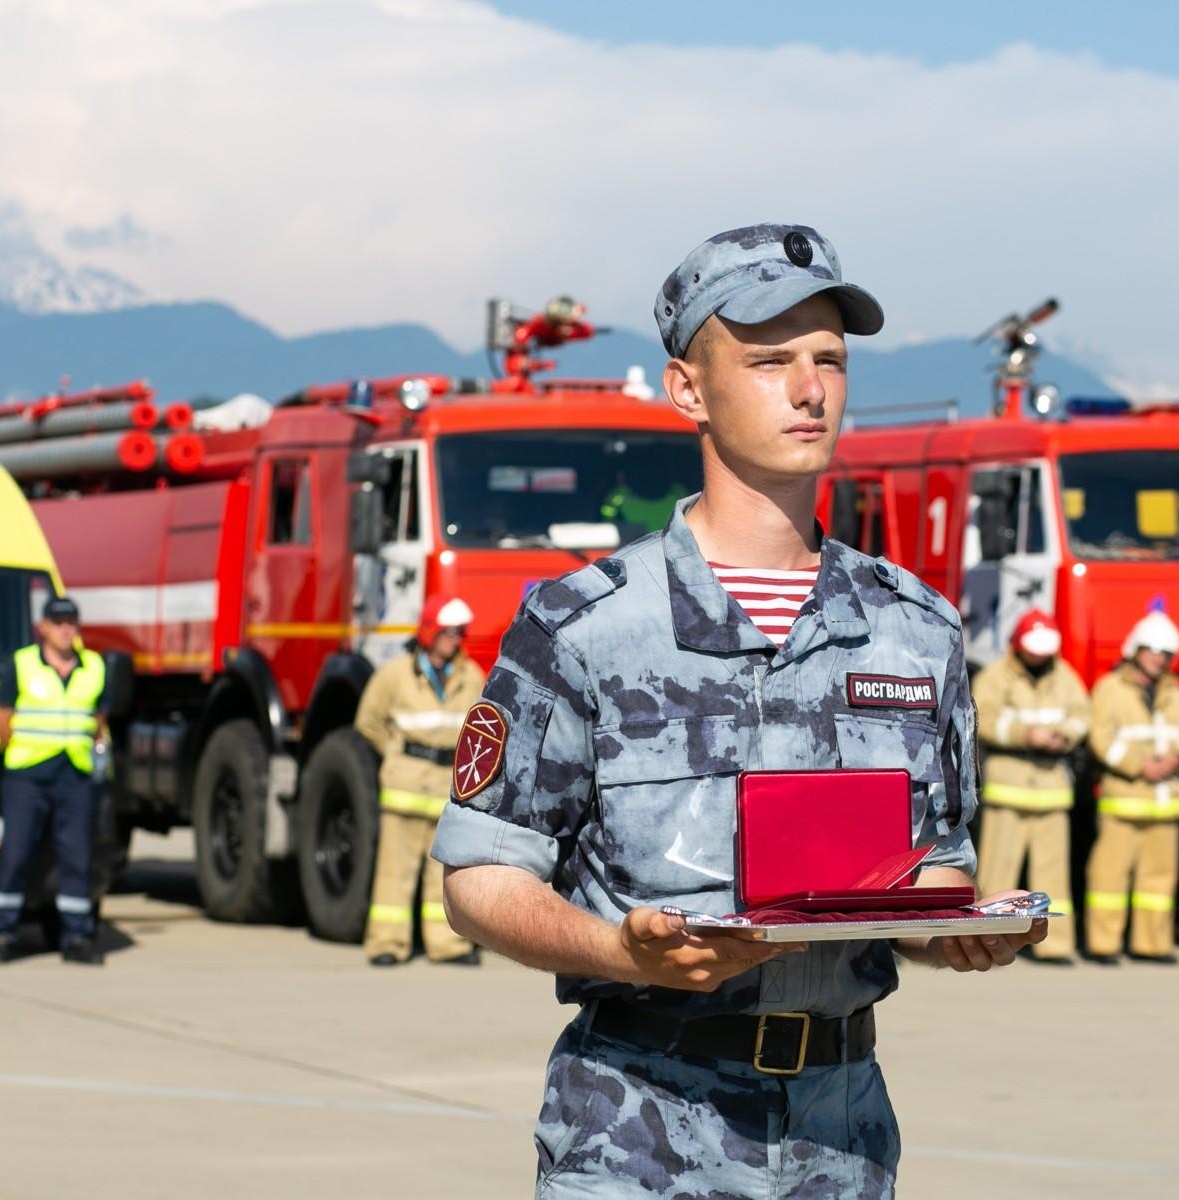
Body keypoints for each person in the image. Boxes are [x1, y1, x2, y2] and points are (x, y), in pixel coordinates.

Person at [432, 223, 1046, 1198]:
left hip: (838, 1133)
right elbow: (481, 875)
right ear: (688, 389)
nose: (810, 389)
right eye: (769, 362)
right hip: (635, 1124)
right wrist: (616, 949)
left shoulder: (914, 630)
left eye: (829, 360)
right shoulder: (584, 625)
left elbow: (929, 859)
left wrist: (960, 924)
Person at [356, 595, 486, 966]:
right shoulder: (393, 675)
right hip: (405, 787)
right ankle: (386, 944)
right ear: (429, 631)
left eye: (459, 632)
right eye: (448, 631)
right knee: (394, 873)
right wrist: (396, 757)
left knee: (442, 877)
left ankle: (447, 946)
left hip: (448, 790)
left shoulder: (471, 676)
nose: (455, 639)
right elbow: (369, 721)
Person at [0, 595, 108, 965]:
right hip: (28, 776)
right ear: (44, 628)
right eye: (59, 623)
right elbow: (1, 719)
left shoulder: (94, 667)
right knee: (16, 854)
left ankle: (77, 937)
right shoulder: (22, 665)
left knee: (77, 858)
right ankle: (3, 934)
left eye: (72, 622)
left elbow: (99, 716)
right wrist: (21, 751)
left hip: (74, 776)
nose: (66, 629)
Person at [970, 608, 1089, 963]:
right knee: (998, 872)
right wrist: (1026, 735)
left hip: (1051, 790)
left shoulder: (1063, 676)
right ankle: (987, 939)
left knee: (1054, 875)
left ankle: (1054, 944)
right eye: (1034, 649)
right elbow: (983, 718)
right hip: (1009, 788)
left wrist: (1064, 736)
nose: (1040, 656)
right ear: (1018, 645)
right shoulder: (995, 676)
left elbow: (1083, 714)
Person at [1083, 610, 1179, 965]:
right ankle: (1103, 944)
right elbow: (1102, 738)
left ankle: (1152, 944)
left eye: (1166, 653)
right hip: (1125, 799)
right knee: (1109, 877)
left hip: (1165, 802)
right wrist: (1140, 765)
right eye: (1152, 650)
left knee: (1159, 882)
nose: (1159, 658)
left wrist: (1177, 759)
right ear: (1135, 649)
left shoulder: (1172, 692)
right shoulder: (1111, 689)